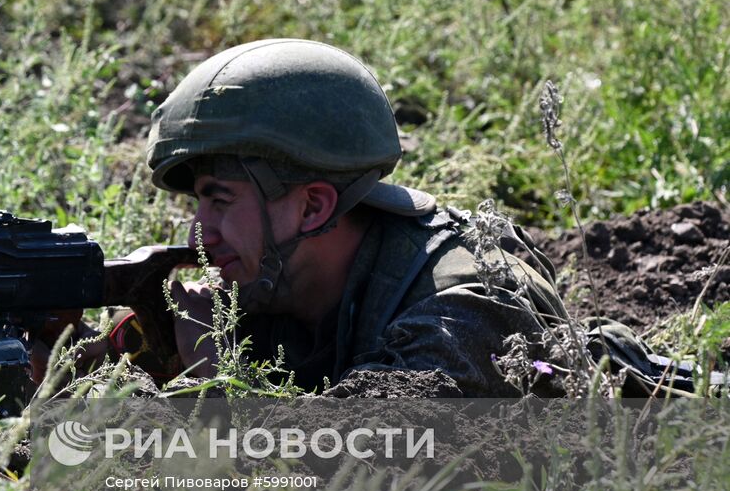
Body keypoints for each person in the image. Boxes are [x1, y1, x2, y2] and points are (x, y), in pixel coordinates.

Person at [73, 38, 577, 397]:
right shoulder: (261, 286)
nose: (199, 234)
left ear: (313, 207)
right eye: (198, 205)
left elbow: (349, 475)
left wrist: (215, 375)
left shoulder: (462, 312)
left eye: (221, 201)